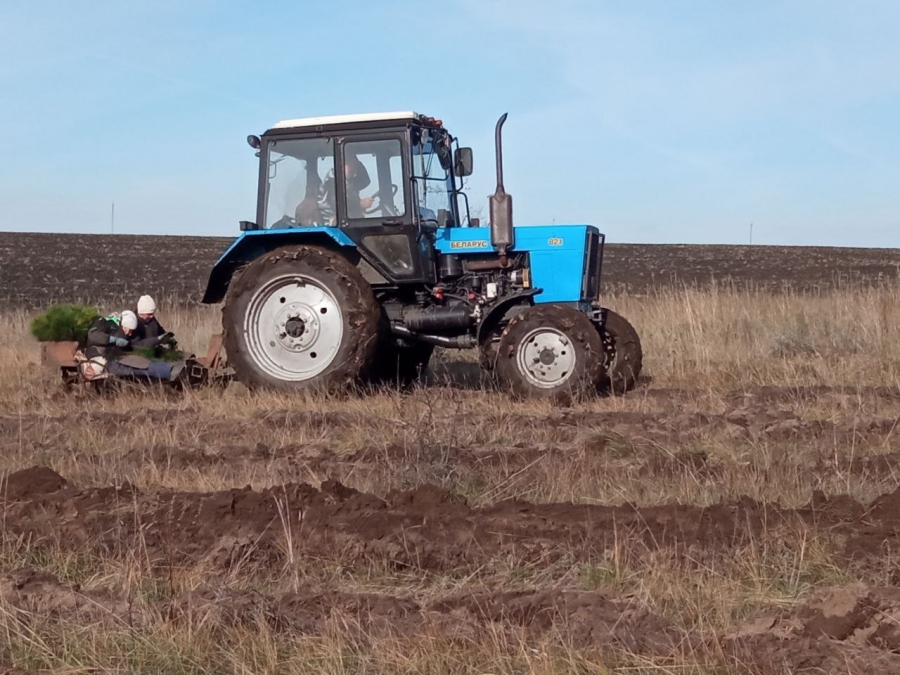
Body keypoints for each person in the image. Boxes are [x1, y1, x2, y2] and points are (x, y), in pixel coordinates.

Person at [85, 310, 180, 381]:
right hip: (100, 356)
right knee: (132, 368)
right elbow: (93, 335)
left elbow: (136, 345)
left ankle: (167, 370)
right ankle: (168, 371)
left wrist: (157, 340)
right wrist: (112, 340)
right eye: (129, 330)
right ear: (124, 325)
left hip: (116, 357)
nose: (130, 334)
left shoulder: (121, 331)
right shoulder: (103, 322)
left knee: (141, 364)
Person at [315, 155, 376, 225]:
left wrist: (357, 162)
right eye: (350, 166)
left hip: (347, 223)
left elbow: (365, 181)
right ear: (340, 165)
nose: (353, 170)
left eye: (354, 167)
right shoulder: (331, 182)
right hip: (335, 225)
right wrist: (359, 204)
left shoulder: (348, 182)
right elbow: (336, 203)